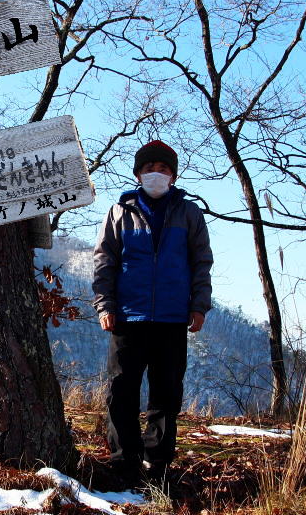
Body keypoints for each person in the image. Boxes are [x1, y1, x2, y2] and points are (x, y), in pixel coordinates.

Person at [92, 139, 213, 486]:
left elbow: (201, 262)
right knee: (121, 393)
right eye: (149, 169)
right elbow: (104, 262)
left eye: (163, 169)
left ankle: (157, 464)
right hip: (127, 317)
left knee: (166, 394)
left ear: (173, 176)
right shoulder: (119, 212)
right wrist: (105, 306)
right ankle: (124, 463)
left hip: (174, 318)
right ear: (138, 174)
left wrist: (199, 306)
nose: (156, 175)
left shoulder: (189, 213)